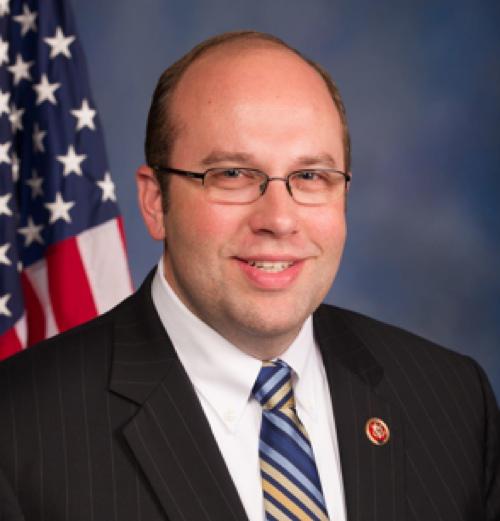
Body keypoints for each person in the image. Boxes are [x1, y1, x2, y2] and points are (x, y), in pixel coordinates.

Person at [0, 31, 498, 521]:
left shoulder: (452, 400)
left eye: (311, 177)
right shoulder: (20, 429)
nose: (279, 220)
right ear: (155, 203)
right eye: (232, 175)